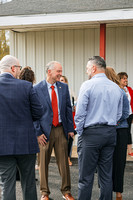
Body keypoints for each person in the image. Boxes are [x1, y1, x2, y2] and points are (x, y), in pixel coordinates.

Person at [75, 56, 123, 200]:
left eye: (88, 68)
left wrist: (80, 132)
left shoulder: (87, 85)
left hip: (91, 134)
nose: (87, 71)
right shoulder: (116, 87)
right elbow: (119, 114)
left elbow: (80, 113)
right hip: (110, 133)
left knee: (85, 177)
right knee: (106, 176)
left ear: (94, 68)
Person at [0, 55, 44, 200]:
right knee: (29, 183)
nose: (19, 71)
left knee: (7, 184)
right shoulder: (25, 86)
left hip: (3, 144)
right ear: (13, 68)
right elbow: (38, 112)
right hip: (25, 143)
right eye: (18, 68)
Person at [34, 61, 75, 200]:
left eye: (61, 71)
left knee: (64, 162)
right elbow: (33, 113)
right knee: (43, 163)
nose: (60, 74)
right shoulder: (37, 88)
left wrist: (70, 129)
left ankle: (66, 191)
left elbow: (68, 109)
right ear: (49, 72)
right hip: (44, 132)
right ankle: (44, 193)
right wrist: (38, 132)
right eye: (58, 71)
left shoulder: (64, 87)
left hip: (60, 129)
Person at [105, 67, 129, 200]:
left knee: (118, 162)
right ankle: (108, 191)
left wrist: (112, 121)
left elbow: (126, 113)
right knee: (106, 162)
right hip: (109, 129)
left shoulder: (120, 92)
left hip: (119, 130)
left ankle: (118, 193)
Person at [60, 75, 75, 166]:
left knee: (69, 139)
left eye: (63, 80)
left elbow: (72, 106)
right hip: (59, 121)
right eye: (60, 80)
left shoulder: (69, 92)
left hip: (68, 119)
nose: (61, 81)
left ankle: (68, 157)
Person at [117, 72, 133, 157]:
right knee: (123, 132)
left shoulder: (129, 89)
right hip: (121, 115)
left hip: (129, 114)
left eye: (126, 78)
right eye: (123, 78)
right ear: (119, 79)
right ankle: (122, 149)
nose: (126, 80)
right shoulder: (117, 89)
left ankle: (130, 150)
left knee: (128, 132)